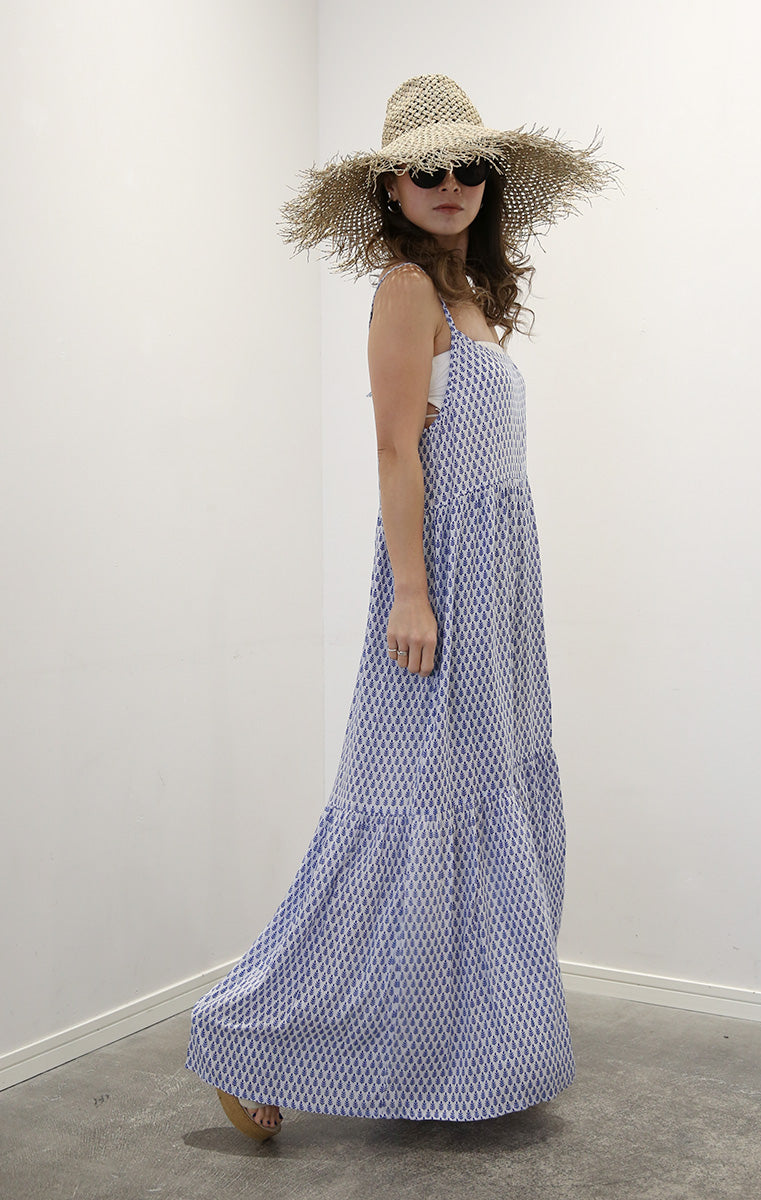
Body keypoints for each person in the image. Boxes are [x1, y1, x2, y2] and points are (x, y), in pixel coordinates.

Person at [185, 73, 616, 1140]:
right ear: (391, 185)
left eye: (469, 167)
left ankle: (465, 1049)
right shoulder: (406, 290)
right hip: (445, 586)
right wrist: (414, 594)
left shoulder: (470, 296)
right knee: (407, 812)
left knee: (477, 802)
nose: (451, 183)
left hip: (499, 589)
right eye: (428, 169)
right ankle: (249, 1035)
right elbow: (394, 452)